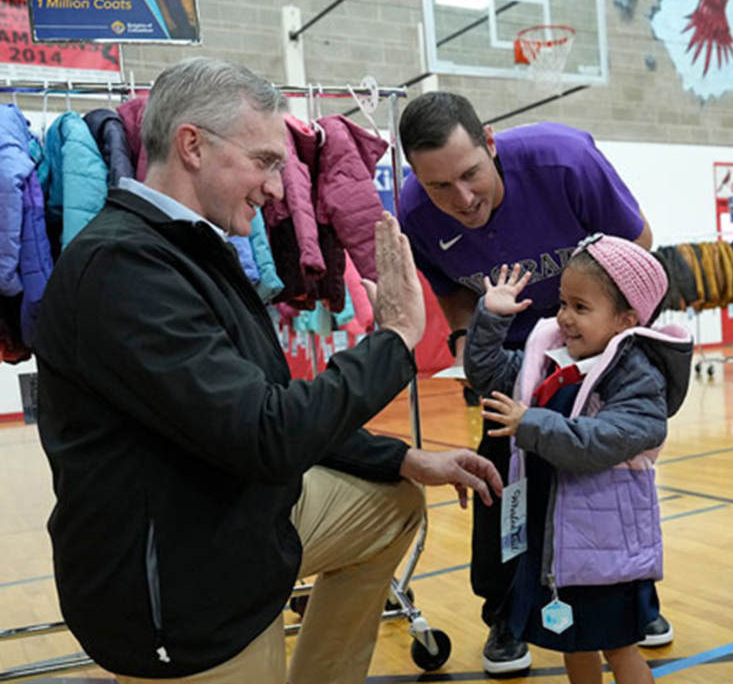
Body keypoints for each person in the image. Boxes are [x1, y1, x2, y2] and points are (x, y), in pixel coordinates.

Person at [34, 58, 503, 684]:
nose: (279, 189)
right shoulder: (125, 269)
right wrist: (394, 339)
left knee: (390, 505)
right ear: (192, 145)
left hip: (228, 508)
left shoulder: (187, 248)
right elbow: (265, 436)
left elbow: (272, 400)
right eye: (265, 162)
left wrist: (400, 460)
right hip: (182, 591)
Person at [397, 92, 668, 674]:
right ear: (417, 179)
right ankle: (509, 615)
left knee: (612, 483)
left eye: (470, 174)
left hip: (598, 341)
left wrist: (595, 335)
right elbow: (450, 287)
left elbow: (635, 250)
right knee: (506, 480)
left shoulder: (565, 161)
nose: (462, 199)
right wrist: (471, 339)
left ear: (490, 142)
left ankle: (633, 602)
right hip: (516, 348)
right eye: (440, 187)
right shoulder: (414, 212)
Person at [463, 235, 692, 684]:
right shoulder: (551, 357)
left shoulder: (636, 374)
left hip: (604, 548)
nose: (564, 317)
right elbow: (488, 376)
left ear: (626, 319)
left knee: (620, 649)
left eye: (580, 308)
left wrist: (532, 425)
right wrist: (490, 316)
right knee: (573, 644)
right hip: (556, 544)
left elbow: (607, 439)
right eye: (563, 303)